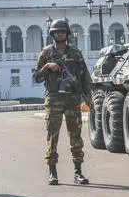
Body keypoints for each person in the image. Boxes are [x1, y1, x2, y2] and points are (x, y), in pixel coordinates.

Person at [33, 18, 94, 185]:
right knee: (52, 136)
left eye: (62, 31)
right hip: (53, 99)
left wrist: (89, 98)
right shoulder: (46, 53)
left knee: (76, 136)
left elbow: (85, 78)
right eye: (57, 31)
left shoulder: (75, 53)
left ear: (67, 34)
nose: (60, 34)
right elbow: (36, 77)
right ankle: (52, 172)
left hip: (72, 99)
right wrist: (47, 67)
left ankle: (78, 173)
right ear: (52, 34)